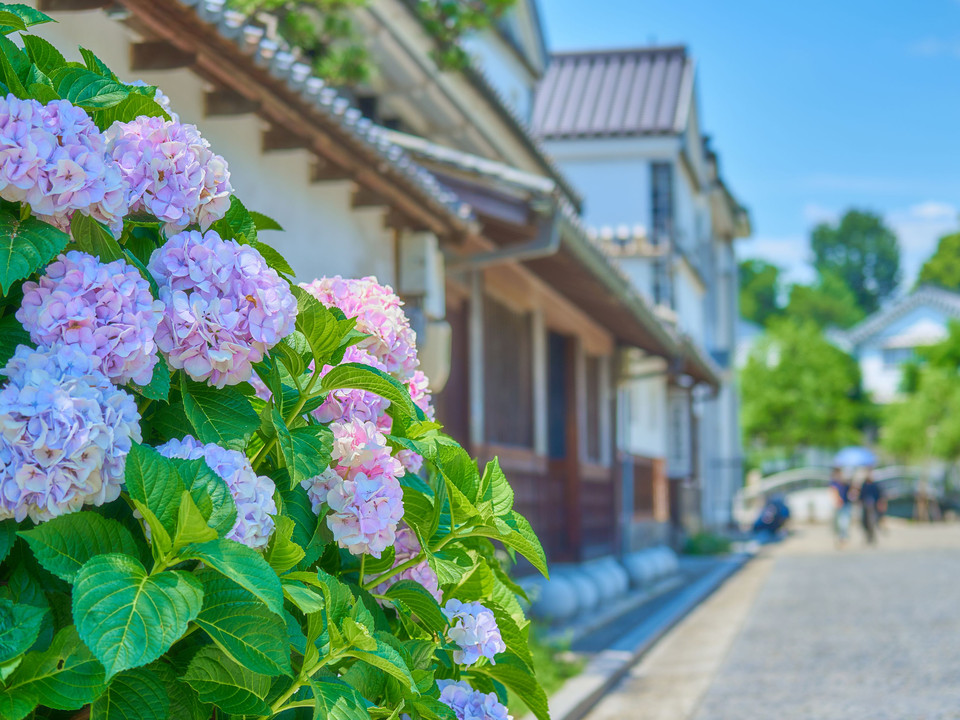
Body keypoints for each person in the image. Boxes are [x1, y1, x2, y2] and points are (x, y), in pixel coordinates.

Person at [828, 467, 852, 548]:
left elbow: (851, 490)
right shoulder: (834, 483)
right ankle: (840, 538)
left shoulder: (845, 482)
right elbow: (833, 491)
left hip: (845, 505)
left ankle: (843, 538)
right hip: (837, 505)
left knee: (844, 523)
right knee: (837, 524)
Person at [860, 470, 885, 545]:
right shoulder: (864, 485)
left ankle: (872, 537)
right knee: (865, 523)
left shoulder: (875, 485)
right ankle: (868, 537)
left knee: (872, 522)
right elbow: (861, 496)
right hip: (865, 507)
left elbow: (880, 496)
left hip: (873, 507)